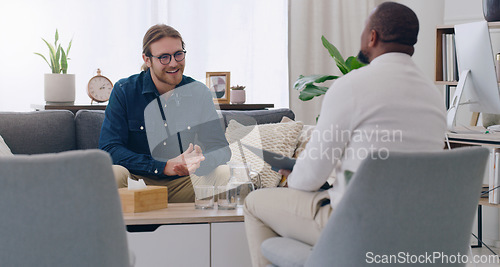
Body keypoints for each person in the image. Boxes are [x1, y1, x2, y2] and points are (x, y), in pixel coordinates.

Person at [243, 2, 447, 266]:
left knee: (254, 203)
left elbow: (308, 180)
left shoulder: (352, 86)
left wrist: (296, 175)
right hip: (414, 228)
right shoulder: (433, 96)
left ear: (372, 36)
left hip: (356, 226)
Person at [99, 24, 231, 203]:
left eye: (178, 54)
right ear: (147, 59)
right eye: (164, 57)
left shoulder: (199, 92)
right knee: (114, 173)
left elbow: (222, 149)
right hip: (137, 184)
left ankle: (210, 231)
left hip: (184, 183)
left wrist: (199, 161)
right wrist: (162, 167)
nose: (174, 63)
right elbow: (109, 149)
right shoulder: (124, 91)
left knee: (225, 173)